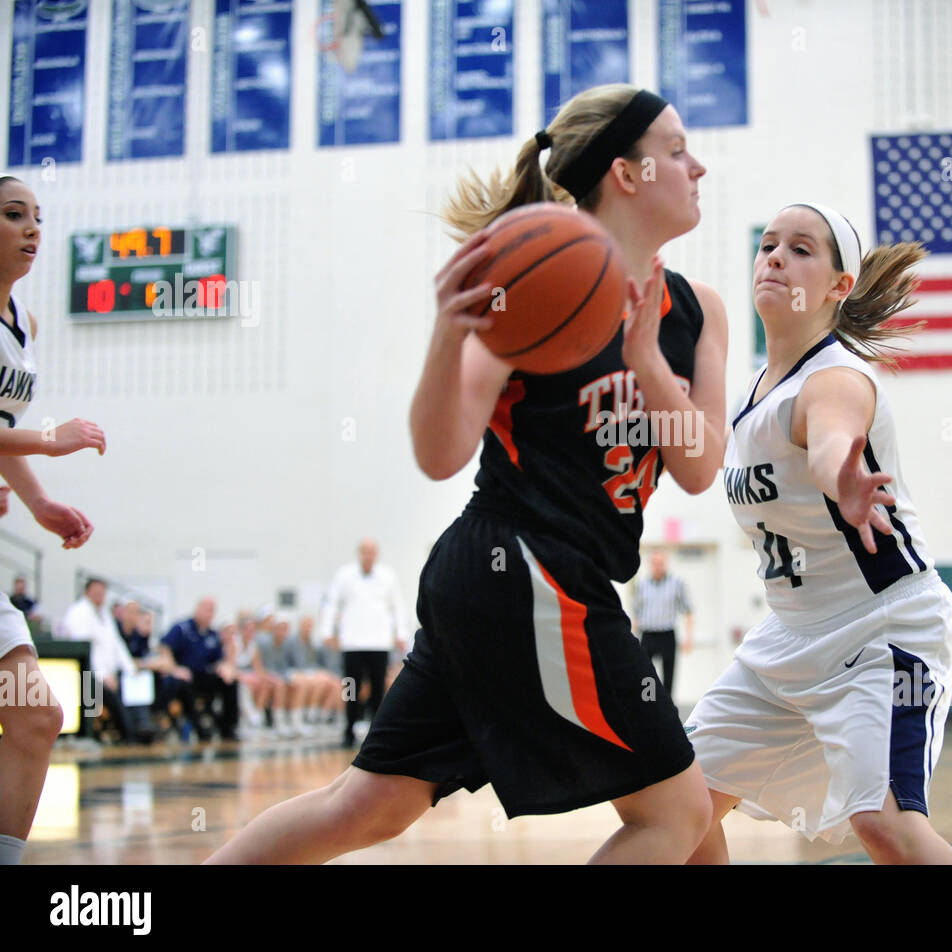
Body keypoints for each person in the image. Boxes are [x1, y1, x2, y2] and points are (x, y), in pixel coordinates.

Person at [207, 84, 726, 864]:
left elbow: (699, 466)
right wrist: (449, 335)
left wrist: (647, 359)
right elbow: (441, 452)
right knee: (679, 813)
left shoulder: (698, 309)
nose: (700, 166)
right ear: (627, 173)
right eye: (678, 149)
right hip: (525, 569)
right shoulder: (536, 284)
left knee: (370, 805)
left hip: (528, 582)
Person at [684, 203, 952, 864]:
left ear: (840, 286)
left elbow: (830, 436)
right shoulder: (755, 389)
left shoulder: (834, 377)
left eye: (802, 248)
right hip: (788, 637)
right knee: (679, 803)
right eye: (769, 243)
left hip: (880, 629)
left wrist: (841, 474)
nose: (775, 256)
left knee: (886, 824)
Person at [0, 175, 104, 864]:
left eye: (38, 217)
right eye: (14, 215)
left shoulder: (24, 323)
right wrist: (47, 436)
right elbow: (18, 430)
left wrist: (38, 501)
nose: (33, 229)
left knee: (36, 716)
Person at [319, 539, 407, 746]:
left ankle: (376, 732)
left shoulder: (388, 576)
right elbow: (332, 602)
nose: (368, 556)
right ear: (359, 553)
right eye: (365, 552)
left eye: (372, 552)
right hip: (352, 642)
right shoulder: (344, 575)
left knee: (378, 688)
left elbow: (398, 606)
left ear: (377, 554)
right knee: (350, 687)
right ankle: (348, 728)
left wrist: (400, 634)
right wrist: (327, 631)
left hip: (378, 642)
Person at [59, 578, 145, 743]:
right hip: (86, 676)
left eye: (102, 592)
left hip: (108, 674)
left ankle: (142, 728)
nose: (100, 595)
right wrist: (103, 676)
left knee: (136, 683)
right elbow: (84, 652)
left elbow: (117, 644)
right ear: (87, 592)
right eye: (96, 591)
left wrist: (131, 669)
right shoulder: (78, 613)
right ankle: (128, 734)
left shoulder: (104, 614)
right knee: (108, 693)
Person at [157, 597, 240, 742]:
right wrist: (175, 669)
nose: (210, 614)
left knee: (230, 682)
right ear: (198, 610)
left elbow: (218, 660)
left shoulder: (212, 635)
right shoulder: (182, 628)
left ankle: (228, 728)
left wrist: (224, 668)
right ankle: (199, 729)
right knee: (185, 685)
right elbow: (164, 648)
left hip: (205, 675)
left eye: (212, 611)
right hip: (186, 676)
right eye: (207, 610)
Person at [630, 550, 694, 704]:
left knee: (668, 676)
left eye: (661, 563)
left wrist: (688, 638)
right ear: (650, 565)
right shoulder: (641, 585)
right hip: (648, 635)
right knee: (647, 675)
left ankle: (667, 710)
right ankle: (648, 707)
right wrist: (632, 639)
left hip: (667, 634)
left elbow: (688, 611)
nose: (658, 567)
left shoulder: (676, 584)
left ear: (665, 564)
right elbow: (636, 614)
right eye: (655, 563)